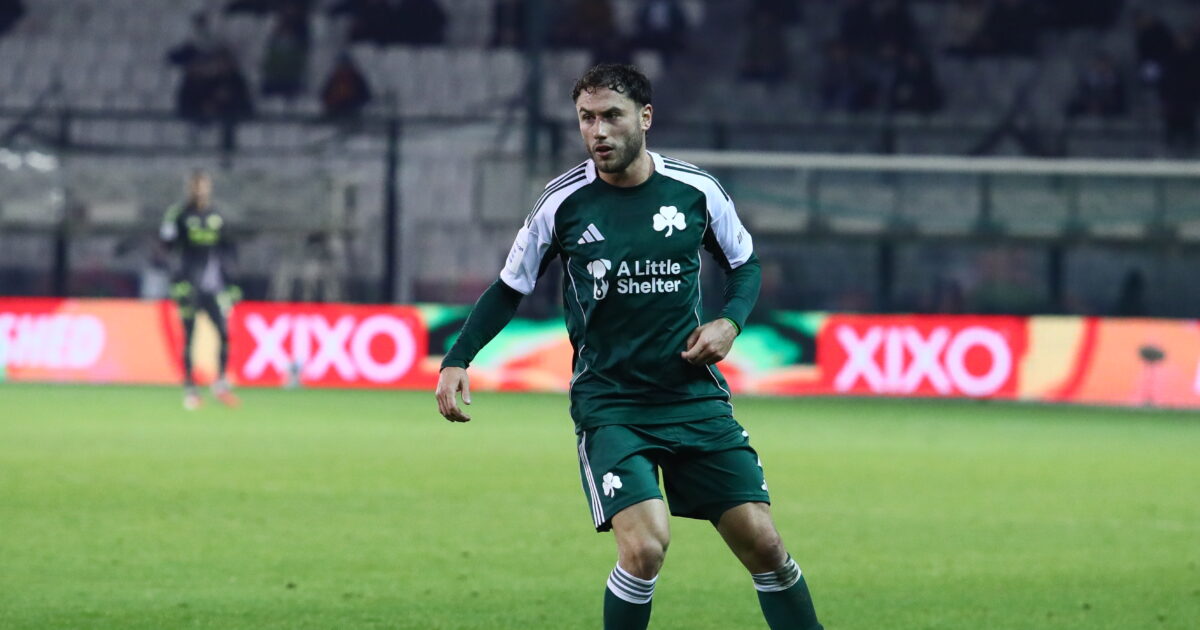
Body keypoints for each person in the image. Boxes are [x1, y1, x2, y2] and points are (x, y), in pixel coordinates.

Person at [435, 64, 822, 630]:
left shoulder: (695, 190)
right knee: (644, 548)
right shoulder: (561, 203)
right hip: (611, 404)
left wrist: (730, 324)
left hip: (692, 397)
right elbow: (509, 287)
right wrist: (457, 358)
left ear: (645, 117)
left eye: (611, 116)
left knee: (764, 544)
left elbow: (745, 264)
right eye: (586, 118)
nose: (598, 131)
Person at [160, 170, 241, 410]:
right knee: (190, 337)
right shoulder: (178, 215)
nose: (199, 190)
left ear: (209, 188)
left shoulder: (217, 216)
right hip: (189, 286)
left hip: (214, 287)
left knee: (224, 334)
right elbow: (165, 249)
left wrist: (232, 283)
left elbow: (229, 250)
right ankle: (190, 388)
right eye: (195, 186)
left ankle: (221, 384)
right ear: (189, 188)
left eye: (203, 186)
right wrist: (177, 281)